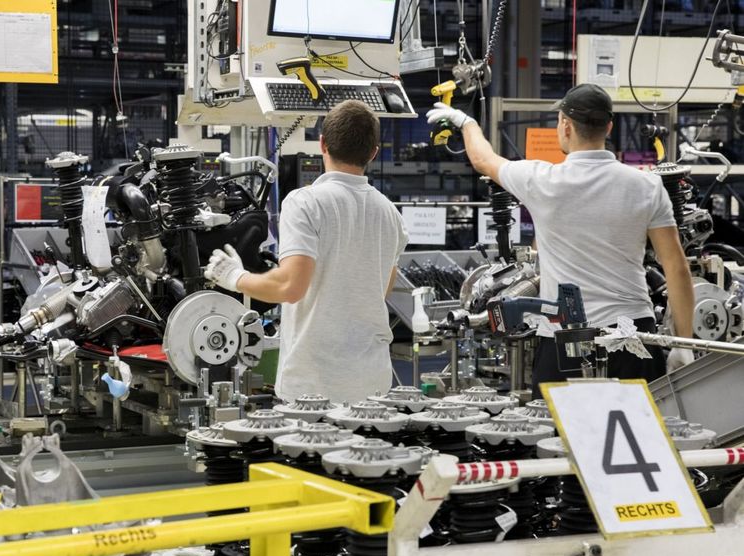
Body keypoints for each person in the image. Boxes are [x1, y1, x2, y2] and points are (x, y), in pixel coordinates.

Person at [426, 83, 695, 397]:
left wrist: (464, 122)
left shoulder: (543, 181)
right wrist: (682, 342)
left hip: (564, 339)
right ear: (608, 126)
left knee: (557, 441)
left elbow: (483, 160)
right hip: (633, 338)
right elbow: (676, 269)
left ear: (565, 126)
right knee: (632, 441)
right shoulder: (646, 186)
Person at [204, 100, 409, 404]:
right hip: (373, 383)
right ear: (373, 152)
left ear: (322, 143)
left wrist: (235, 277)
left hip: (315, 386)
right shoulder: (390, 214)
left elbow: (290, 286)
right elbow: (382, 288)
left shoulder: (305, 203)